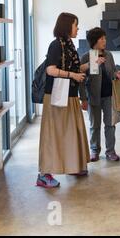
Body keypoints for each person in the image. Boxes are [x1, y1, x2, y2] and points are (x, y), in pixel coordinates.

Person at [37, 13, 90, 188]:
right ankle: (44, 174)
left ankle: (72, 165)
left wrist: (90, 65)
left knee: (71, 132)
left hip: (69, 95)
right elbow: (50, 70)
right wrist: (72, 75)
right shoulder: (56, 45)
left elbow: (72, 67)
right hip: (56, 96)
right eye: (76, 25)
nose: (78, 28)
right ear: (67, 26)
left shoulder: (68, 45)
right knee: (54, 134)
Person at [79, 27, 120, 163]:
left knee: (110, 124)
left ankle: (110, 151)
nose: (105, 41)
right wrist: (83, 98)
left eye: (105, 38)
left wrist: (117, 74)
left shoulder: (109, 55)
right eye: (102, 38)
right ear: (94, 41)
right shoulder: (86, 57)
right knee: (94, 125)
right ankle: (94, 150)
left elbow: (112, 72)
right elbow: (81, 80)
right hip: (93, 97)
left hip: (109, 95)